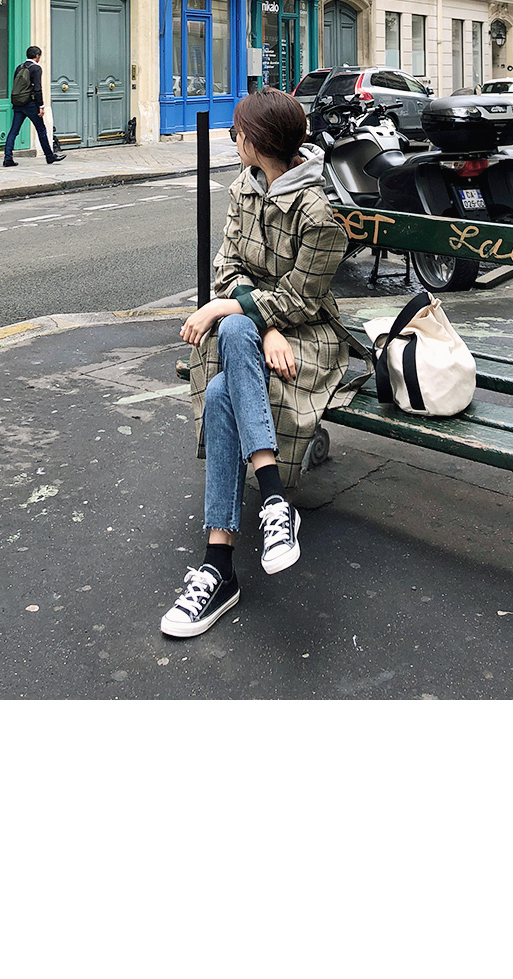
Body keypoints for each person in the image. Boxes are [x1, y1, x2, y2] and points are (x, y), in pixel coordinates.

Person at [161, 86, 353, 639]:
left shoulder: (318, 213)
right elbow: (228, 266)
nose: (234, 140)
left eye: (238, 132)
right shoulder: (244, 187)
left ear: (257, 141)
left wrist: (232, 308)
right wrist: (258, 323)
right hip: (264, 333)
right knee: (236, 336)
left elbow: (302, 300)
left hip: (309, 336)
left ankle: (219, 567)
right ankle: (272, 500)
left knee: (225, 374)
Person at [3, 45, 65, 166]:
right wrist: (41, 106)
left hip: (19, 103)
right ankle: (49, 156)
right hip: (31, 104)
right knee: (41, 130)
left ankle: (8, 158)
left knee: (13, 131)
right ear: (37, 56)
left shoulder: (19, 67)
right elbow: (37, 88)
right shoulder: (36, 68)